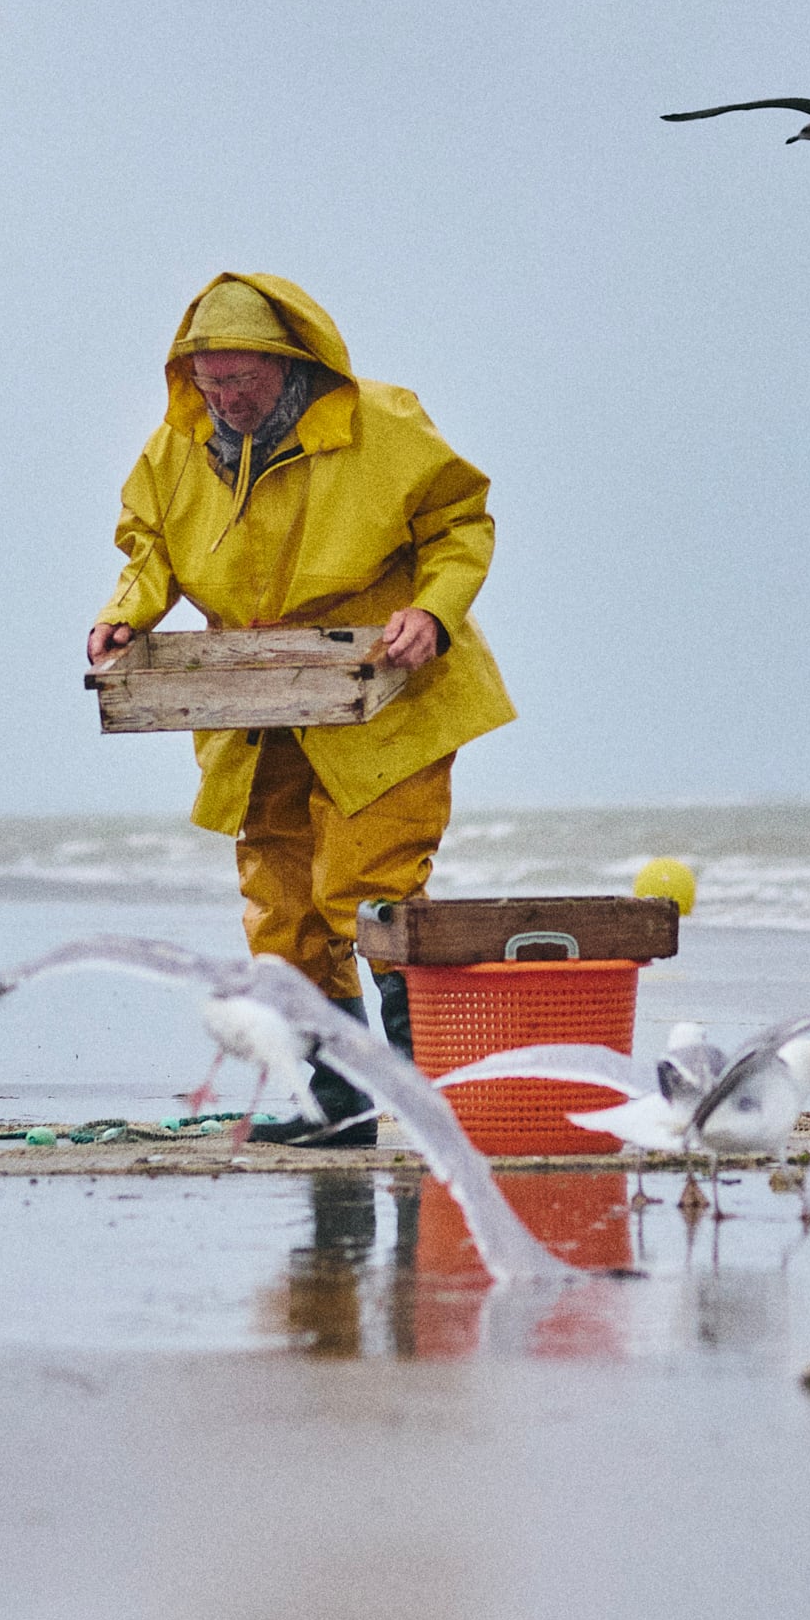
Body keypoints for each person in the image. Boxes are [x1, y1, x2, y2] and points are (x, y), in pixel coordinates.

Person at [89, 275, 512, 1144]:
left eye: (242, 383)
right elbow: (150, 549)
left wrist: (432, 612)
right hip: (257, 706)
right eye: (209, 386)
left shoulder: (382, 423)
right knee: (280, 905)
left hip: (387, 697)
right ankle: (339, 1101)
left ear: (291, 365)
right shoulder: (175, 451)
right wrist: (123, 616)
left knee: (369, 887)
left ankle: (428, 1098)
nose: (226, 401)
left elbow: (461, 524)